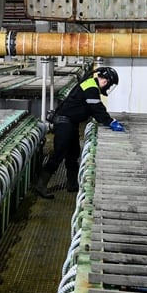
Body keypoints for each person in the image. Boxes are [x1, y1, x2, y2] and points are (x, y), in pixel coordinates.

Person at [36, 66, 125, 199]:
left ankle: (72, 184)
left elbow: (93, 108)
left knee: (73, 154)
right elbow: (97, 108)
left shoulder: (91, 85)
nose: (107, 87)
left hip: (71, 123)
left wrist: (107, 120)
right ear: (106, 81)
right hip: (64, 123)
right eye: (109, 84)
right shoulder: (91, 87)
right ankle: (41, 185)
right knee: (59, 154)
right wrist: (110, 122)